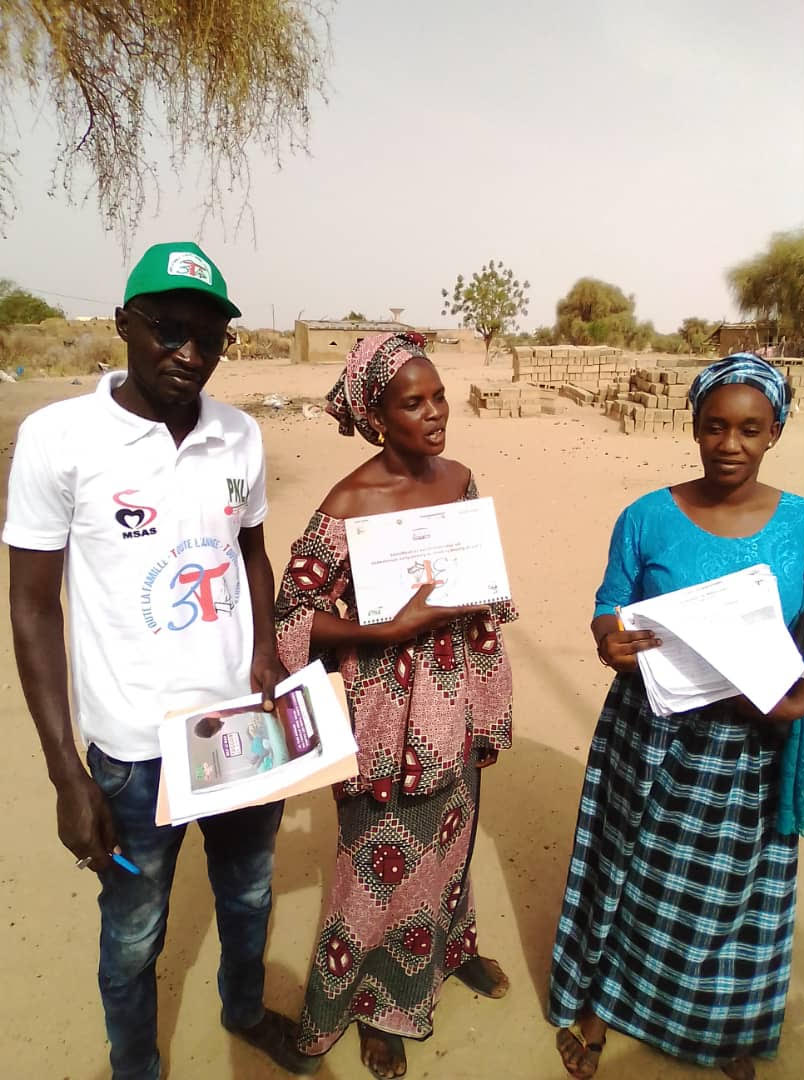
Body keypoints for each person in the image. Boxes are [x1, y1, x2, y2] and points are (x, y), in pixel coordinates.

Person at [3, 241, 316, 1079]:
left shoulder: (239, 435)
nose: (189, 353)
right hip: (132, 751)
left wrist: (263, 650)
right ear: (123, 324)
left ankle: (243, 1011)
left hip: (238, 731)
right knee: (135, 931)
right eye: (169, 330)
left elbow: (253, 551)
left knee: (247, 895)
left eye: (209, 338)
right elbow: (32, 607)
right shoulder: (59, 439)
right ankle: (135, 1065)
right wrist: (66, 774)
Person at [549, 354, 804, 1080]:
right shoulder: (646, 517)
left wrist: (801, 694)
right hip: (651, 734)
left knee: (729, 896)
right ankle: (601, 1007)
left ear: (775, 432)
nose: (730, 444)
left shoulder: (803, 525)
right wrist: (608, 639)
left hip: (751, 744)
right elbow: (610, 602)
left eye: (749, 429)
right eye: (715, 427)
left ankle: (717, 1024)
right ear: (694, 428)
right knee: (629, 871)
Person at [274, 332, 517, 1078]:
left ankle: (449, 950)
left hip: (458, 699)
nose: (435, 412)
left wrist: (487, 703)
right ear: (376, 417)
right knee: (375, 865)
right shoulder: (347, 504)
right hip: (385, 716)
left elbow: (479, 595)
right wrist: (379, 630)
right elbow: (291, 617)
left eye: (439, 396)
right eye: (413, 403)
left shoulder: (460, 480)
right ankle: (367, 1002)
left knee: (449, 841)